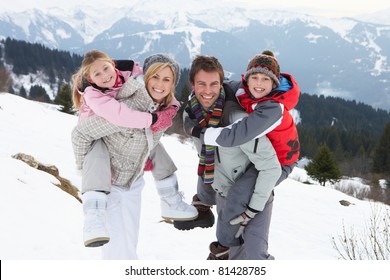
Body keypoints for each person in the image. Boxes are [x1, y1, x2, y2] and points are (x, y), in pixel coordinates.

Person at [71, 53, 196, 259]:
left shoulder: (161, 106)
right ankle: (93, 215)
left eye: (167, 79)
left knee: (128, 244)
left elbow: (150, 140)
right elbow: (80, 134)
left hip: (133, 181)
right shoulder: (125, 107)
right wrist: (89, 168)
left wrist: (169, 110)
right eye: (154, 77)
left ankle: (170, 199)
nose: (160, 84)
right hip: (109, 184)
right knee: (118, 248)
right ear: (144, 78)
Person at [185, 50, 301, 259]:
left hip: (271, 172)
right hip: (224, 191)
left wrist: (203, 134)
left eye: (214, 84)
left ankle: (221, 249)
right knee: (236, 253)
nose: (208, 90)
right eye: (201, 84)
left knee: (256, 255)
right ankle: (223, 248)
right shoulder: (196, 110)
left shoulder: (258, 113)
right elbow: (206, 159)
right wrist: (191, 127)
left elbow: (238, 136)